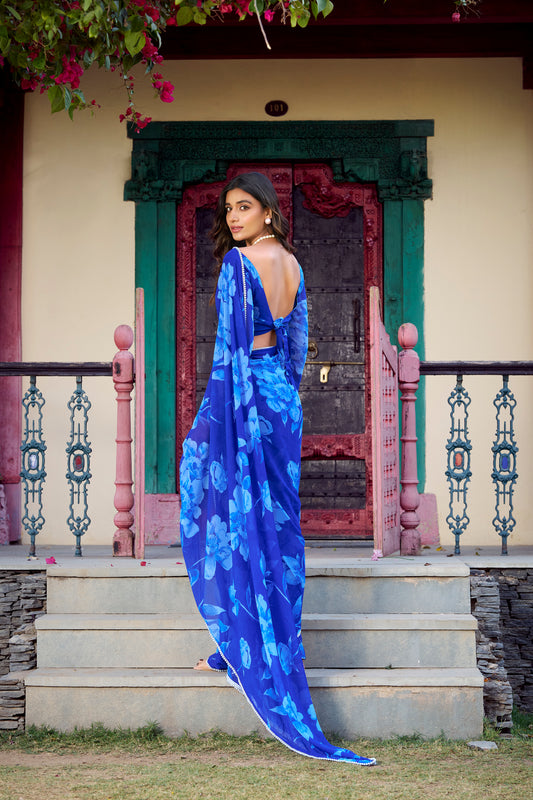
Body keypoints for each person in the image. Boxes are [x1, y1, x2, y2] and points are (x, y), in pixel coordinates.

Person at [179, 172, 375, 765]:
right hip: (280, 403)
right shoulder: (293, 264)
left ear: (267, 211)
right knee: (276, 526)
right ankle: (251, 645)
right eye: (228, 209)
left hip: (243, 396)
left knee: (230, 508)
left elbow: (228, 353)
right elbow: (296, 348)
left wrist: (215, 420)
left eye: (244, 208)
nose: (233, 218)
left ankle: (246, 648)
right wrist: (281, 401)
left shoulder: (239, 266)